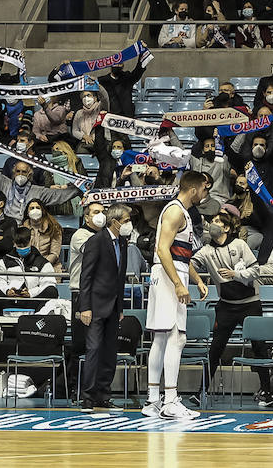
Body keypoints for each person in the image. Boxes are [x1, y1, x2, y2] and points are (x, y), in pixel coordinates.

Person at [192, 207, 273, 408]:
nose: (214, 224)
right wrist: (197, 281)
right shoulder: (206, 251)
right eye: (212, 221)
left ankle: (267, 392)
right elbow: (189, 264)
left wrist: (236, 275)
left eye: (219, 222)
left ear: (227, 228)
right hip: (226, 307)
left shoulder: (239, 244)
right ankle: (201, 391)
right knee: (215, 349)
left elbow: (255, 269)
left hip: (250, 304)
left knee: (259, 347)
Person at [144, 172, 211, 419]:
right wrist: (178, 284)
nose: (206, 194)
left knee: (161, 338)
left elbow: (180, 254)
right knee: (175, 337)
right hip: (168, 275)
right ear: (194, 189)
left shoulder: (179, 211)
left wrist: (197, 280)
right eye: (205, 189)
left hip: (171, 272)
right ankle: (170, 401)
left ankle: (153, 401)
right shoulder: (175, 211)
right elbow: (162, 250)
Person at [78, 204, 131, 413]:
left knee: (110, 352)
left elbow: (120, 278)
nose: (129, 225)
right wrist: (85, 307)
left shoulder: (123, 243)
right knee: (93, 350)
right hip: (95, 306)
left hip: (113, 307)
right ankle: (88, 398)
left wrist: (120, 308)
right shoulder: (96, 241)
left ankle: (103, 395)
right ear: (115, 221)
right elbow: (86, 275)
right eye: (126, 221)